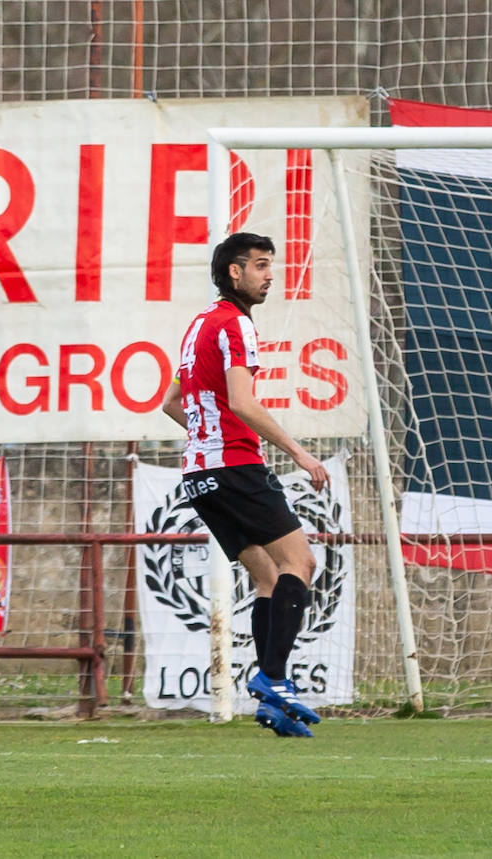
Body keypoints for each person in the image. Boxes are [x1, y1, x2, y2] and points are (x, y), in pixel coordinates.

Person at [160, 232, 330, 738]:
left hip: (201, 474)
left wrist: (207, 438)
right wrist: (299, 453)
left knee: (268, 580)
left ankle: (270, 704)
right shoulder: (235, 324)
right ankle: (274, 679)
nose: (268, 274)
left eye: (269, 265)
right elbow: (241, 400)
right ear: (234, 273)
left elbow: (171, 402)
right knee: (301, 562)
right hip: (234, 468)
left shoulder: (199, 325)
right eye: (259, 265)